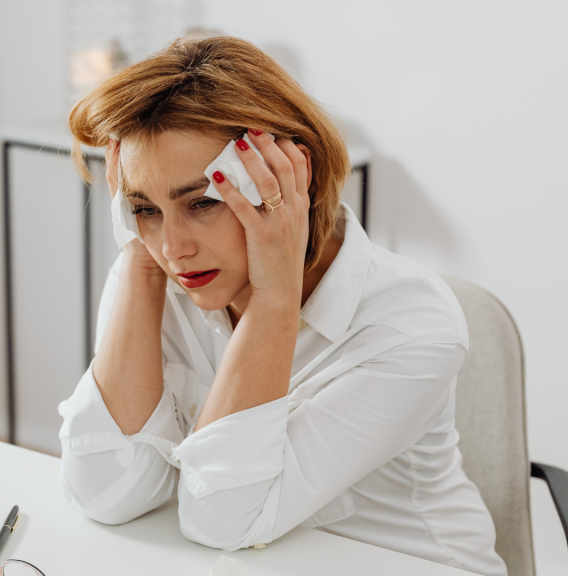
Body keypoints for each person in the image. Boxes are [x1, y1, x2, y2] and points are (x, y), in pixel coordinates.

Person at [57, 36, 506, 576]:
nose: (173, 247)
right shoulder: (155, 272)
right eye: (144, 208)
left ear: (291, 175)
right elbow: (105, 495)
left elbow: (221, 520)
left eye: (202, 202)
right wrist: (137, 264)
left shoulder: (410, 326)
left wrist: (274, 296)